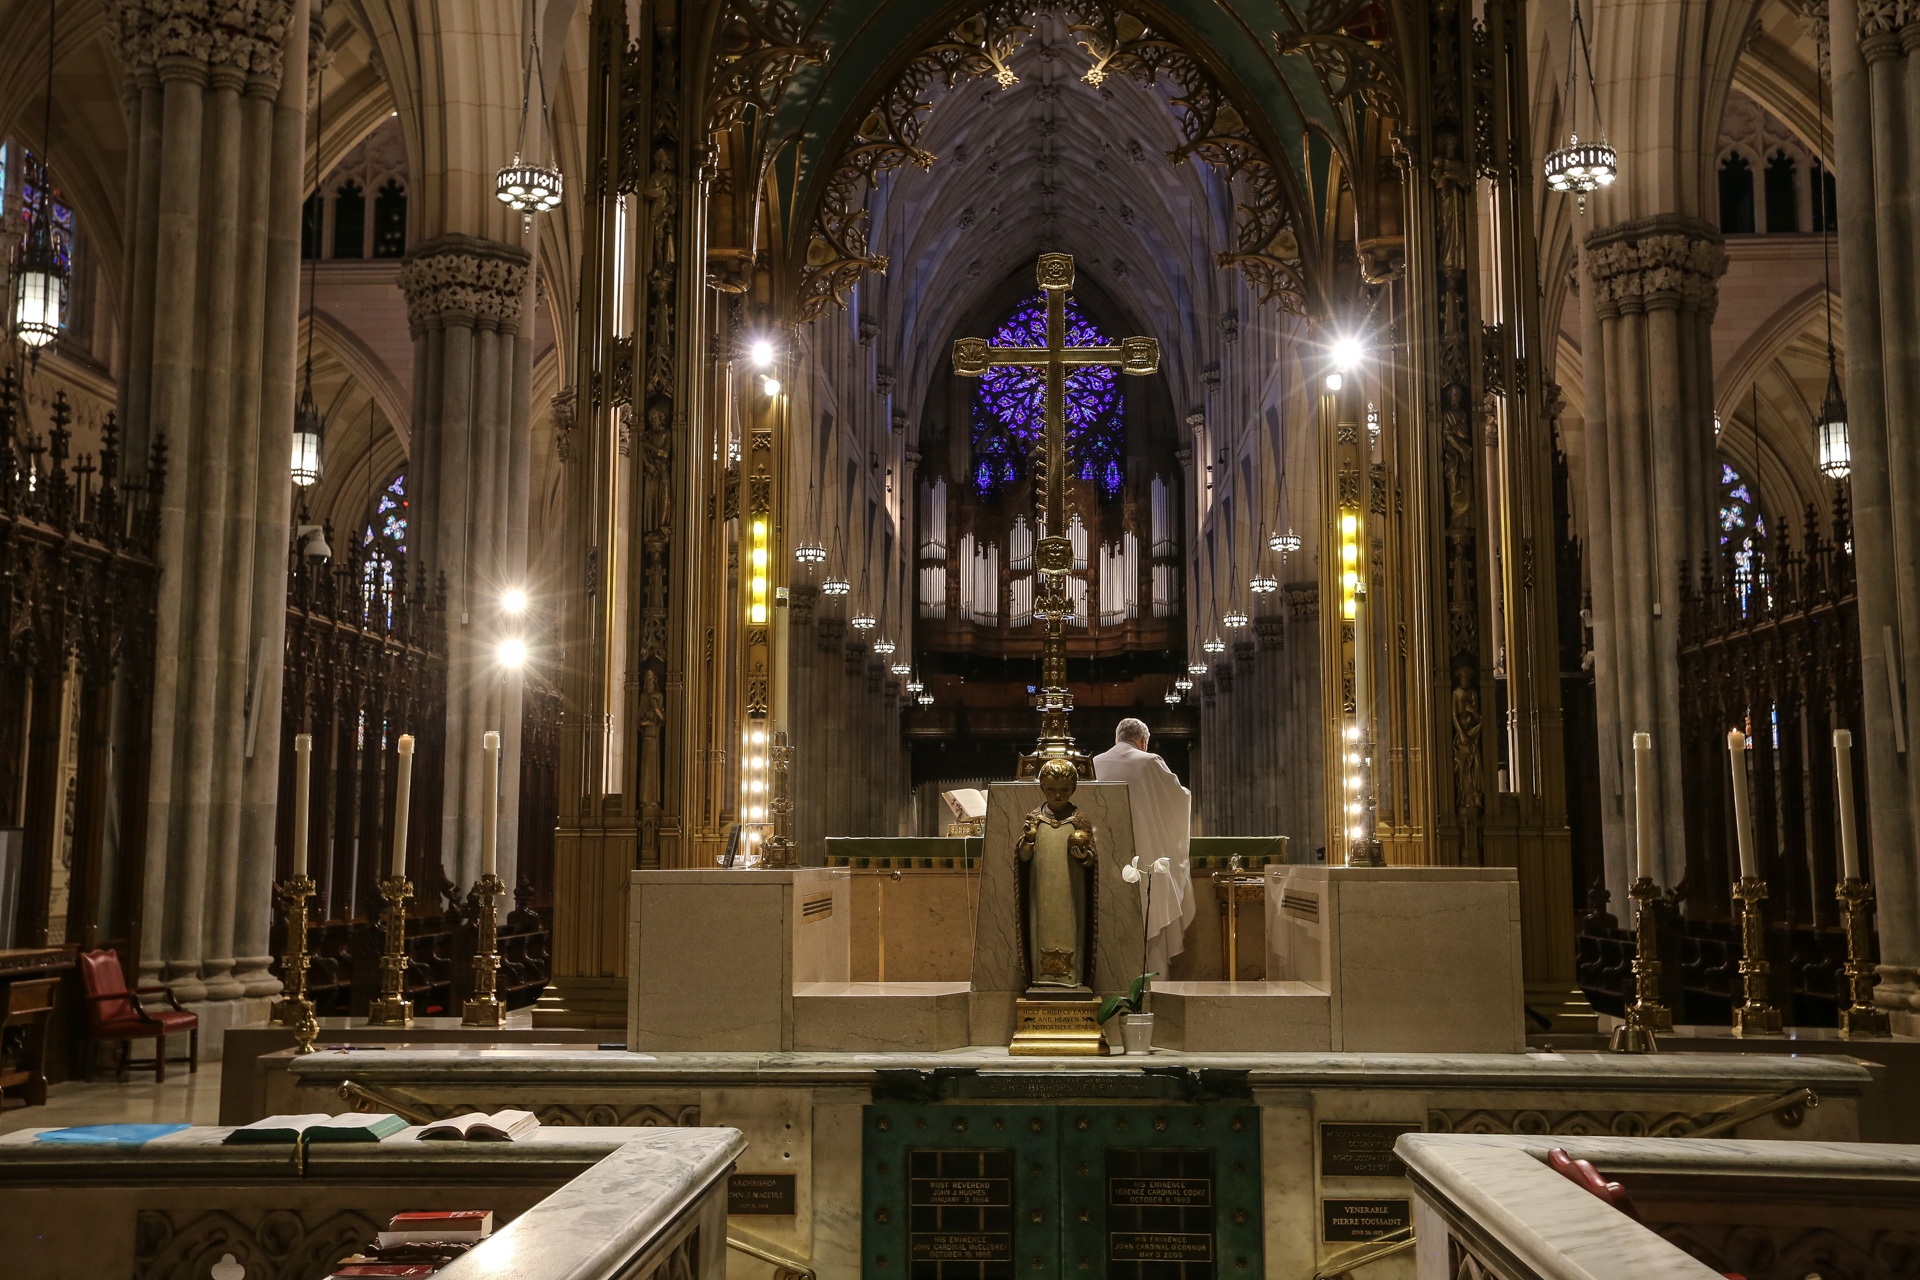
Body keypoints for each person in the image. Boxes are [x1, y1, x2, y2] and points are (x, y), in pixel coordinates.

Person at [1092, 718, 1194, 974]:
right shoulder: (1150, 762)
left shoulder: (1094, 763)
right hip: (1146, 854)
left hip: (1106, 857)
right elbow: (1177, 798)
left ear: (1116, 739)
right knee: (1151, 917)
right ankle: (1152, 987)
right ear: (1144, 742)